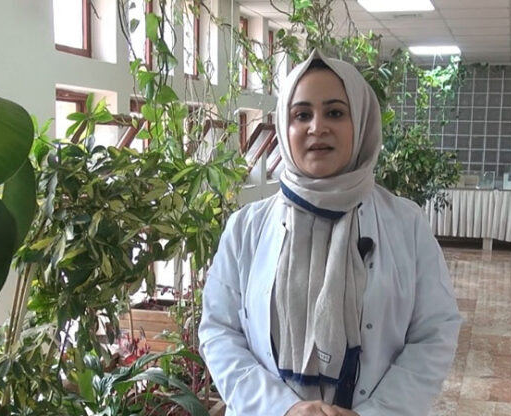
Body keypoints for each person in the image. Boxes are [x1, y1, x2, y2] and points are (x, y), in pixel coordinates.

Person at [198, 49, 461, 416]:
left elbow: (435, 331)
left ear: (361, 123)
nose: (316, 127)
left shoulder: (406, 223)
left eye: (335, 113)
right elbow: (219, 330)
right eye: (301, 114)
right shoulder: (246, 227)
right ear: (285, 126)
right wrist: (283, 409)